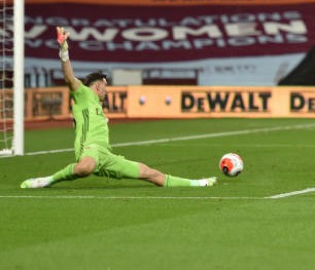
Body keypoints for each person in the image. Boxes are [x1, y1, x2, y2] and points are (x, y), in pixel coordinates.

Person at [21, 27, 217, 189]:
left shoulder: (97, 105)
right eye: (105, 86)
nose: (107, 90)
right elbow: (69, 78)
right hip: (88, 149)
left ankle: (198, 183)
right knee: (85, 168)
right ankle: (46, 181)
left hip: (106, 155)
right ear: (97, 85)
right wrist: (64, 50)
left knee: (151, 174)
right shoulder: (83, 94)